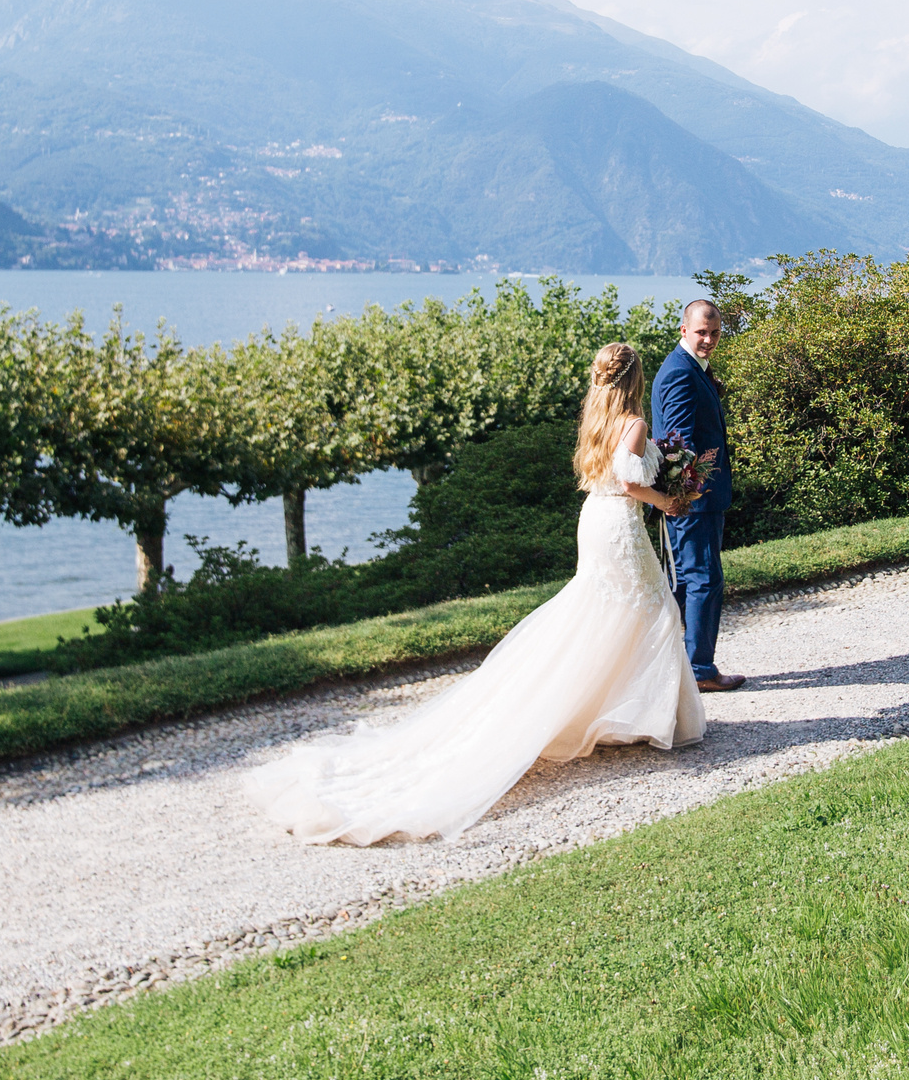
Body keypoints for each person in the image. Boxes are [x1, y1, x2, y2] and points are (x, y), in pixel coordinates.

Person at [244, 342, 706, 844]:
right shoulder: (633, 423)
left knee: (608, 613)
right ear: (635, 379)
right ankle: (646, 717)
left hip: (595, 520)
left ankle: (619, 715)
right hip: (619, 524)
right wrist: (667, 500)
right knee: (651, 610)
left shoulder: (596, 421)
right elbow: (631, 483)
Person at [652, 298, 745, 692]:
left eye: (715, 332)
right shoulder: (679, 373)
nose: (708, 339)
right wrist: (686, 495)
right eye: (702, 332)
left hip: (695, 498)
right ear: (684, 330)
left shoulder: (692, 367)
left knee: (684, 583)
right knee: (704, 580)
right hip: (694, 501)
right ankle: (700, 670)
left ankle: (670, 666)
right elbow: (676, 443)